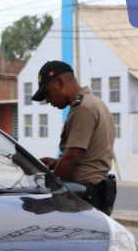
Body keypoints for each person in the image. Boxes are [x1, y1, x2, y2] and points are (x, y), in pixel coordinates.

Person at [32, 60, 117, 215]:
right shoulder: (95, 104)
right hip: (94, 194)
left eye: (48, 93)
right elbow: (89, 156)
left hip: (83, 198)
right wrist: (57, 163)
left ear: (60, 82)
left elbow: (72, 157)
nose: (48, 101)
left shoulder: (83, 108)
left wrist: (49, 192)